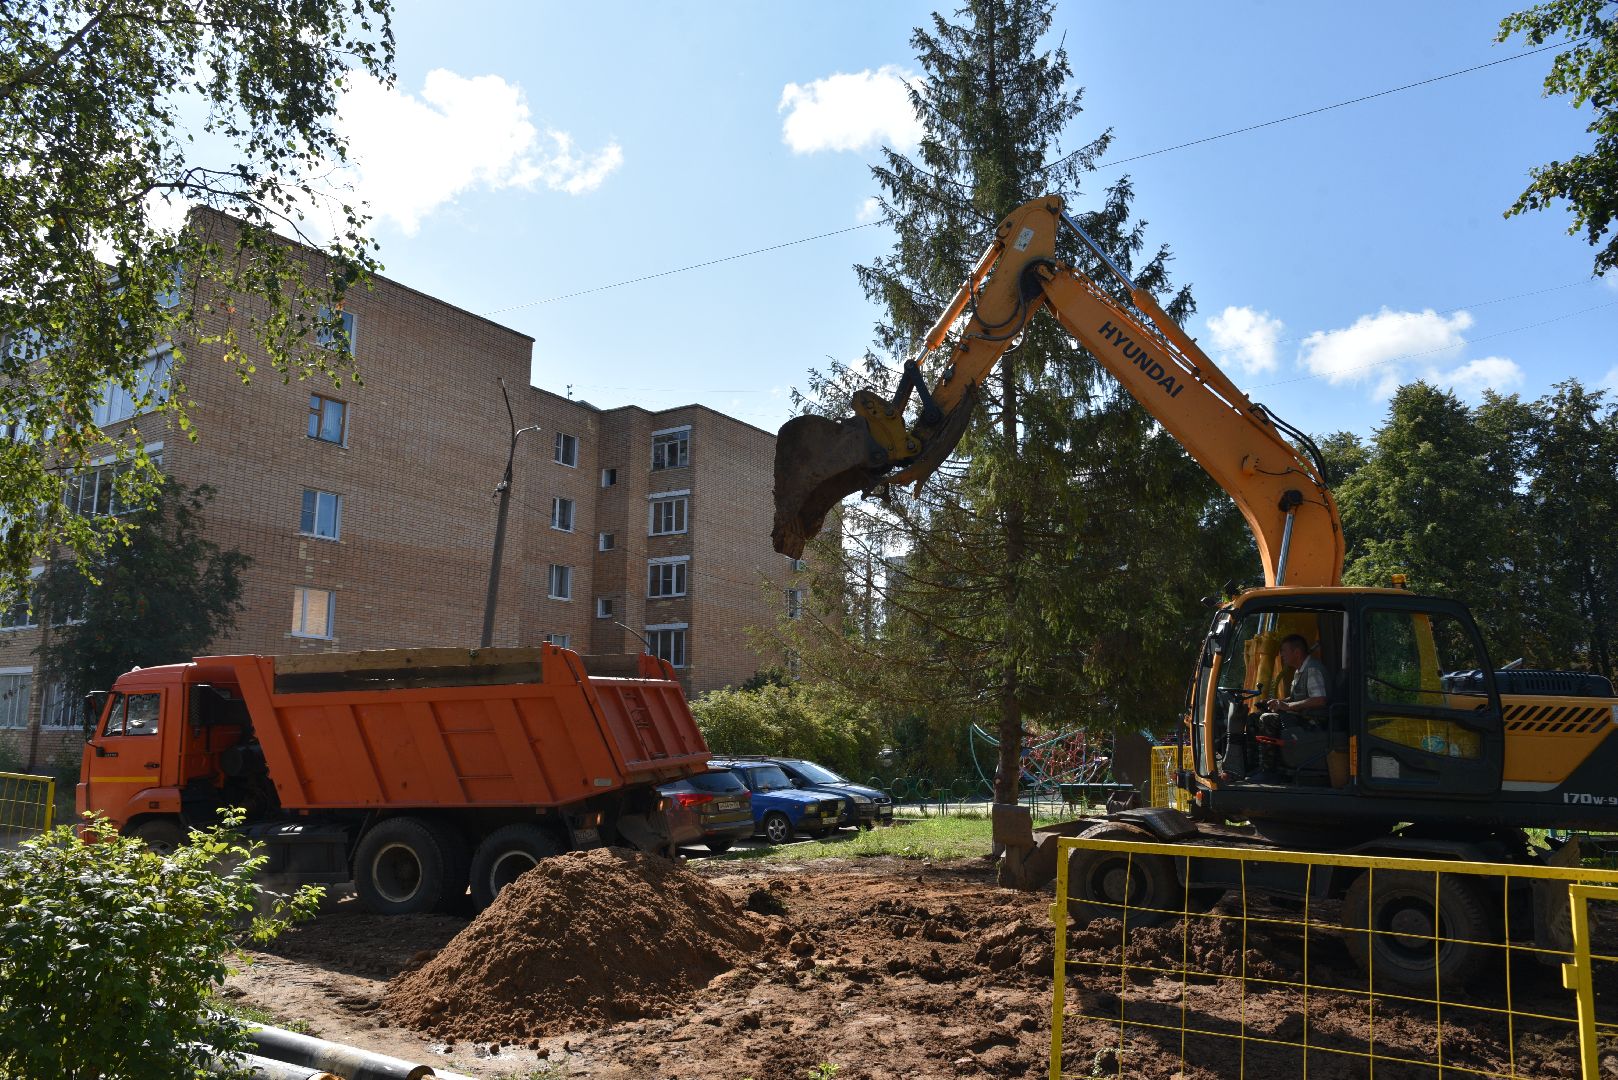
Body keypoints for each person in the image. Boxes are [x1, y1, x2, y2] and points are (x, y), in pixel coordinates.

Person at [1249, 634, 1329, 783]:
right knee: (1254, 717)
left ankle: (1270, 771)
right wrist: (1275, 702)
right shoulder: (1298, 672)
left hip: (1314, 722)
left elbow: (1320, 700)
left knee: (1267, 719)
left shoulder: (1312, 670)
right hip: (1302, 718)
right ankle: (1258, 765)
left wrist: (1287, 706)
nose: (1281, 655)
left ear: (1297, 652)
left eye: (1284, 651)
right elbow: (1294, 699)